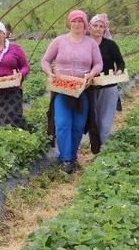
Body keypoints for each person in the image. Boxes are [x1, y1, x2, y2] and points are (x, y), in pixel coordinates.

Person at [41, 10, 103, 173]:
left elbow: (98, 64)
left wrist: (92, 73)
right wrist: (50, 73)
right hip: (62, 88)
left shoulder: (91, 44)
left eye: (80, 21)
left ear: (85, 24)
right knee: (62, 123)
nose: (77, 24)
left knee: (78, 125)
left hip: (83, 89)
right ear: (69, 23)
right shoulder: (59, 41)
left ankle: (73, 156)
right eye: (74, 21)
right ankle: (65, 159)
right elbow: (45, 60)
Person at [88, 13, 126, 153]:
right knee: (92, 120)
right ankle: (95, 146)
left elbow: (120, 63)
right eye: (95, 26)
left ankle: (101, 149)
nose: (98, 29)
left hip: (108, 87)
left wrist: (119, 72)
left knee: (105, 121)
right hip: (89, 87)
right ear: (90, 27)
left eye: (101, 26)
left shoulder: (110, 45)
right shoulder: (84, 44)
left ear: (105, 29)